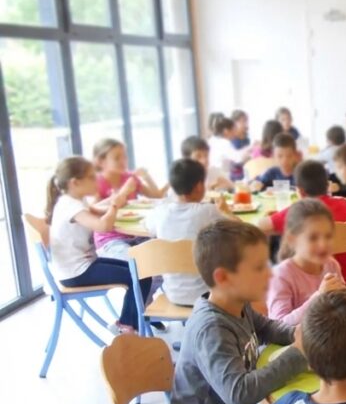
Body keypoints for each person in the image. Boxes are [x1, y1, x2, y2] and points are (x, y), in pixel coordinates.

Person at [168, 220, 307, 404]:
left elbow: (269, 328)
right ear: (223, 277)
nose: (269, 274)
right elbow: (239, 394)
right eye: (258, 268)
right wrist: (297, 354)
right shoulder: (211, 328)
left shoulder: (235, 304)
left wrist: (301, 335)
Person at [45, 156, 151, 333]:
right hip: (77, 273)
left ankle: (128, 325)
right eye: (91, 177)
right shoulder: (71, 206)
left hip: (83, 265)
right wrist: (115, 206)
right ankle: (128, 327)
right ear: (75, 183)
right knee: (141, 275)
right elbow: (104, 225)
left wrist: (115, 203)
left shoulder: (73, 200)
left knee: (142, 270)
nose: (97, 180)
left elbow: (95, 211)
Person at [259, 160, 346, 284]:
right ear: (327, 185)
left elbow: (261, 227)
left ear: (300, 191)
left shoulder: (299, 212)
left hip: (311, 286)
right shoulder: (343, 204)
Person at [144, 159, 231, 306]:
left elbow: (147, 226)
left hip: (172, 295)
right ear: (198, 186)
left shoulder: (160, 212)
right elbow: (238, 229)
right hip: (208, 297)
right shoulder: (207, 212)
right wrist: (225, 211)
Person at [267, 200, 346, 325]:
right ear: (292, 240)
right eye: (313, 238)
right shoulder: (281, 275)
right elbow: (278, 326)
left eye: (328, 236)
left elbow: (341, 302)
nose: (323, 244)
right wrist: (318, 298)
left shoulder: (331, 264)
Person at [92, 138, 164, 259]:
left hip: (137, 235)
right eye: (117, 158)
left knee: (162, 254)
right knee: (141, 262)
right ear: (101, 161)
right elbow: (93, 210)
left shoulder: (130, 178)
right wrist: (123, 192)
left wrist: (146, 176)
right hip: (110, 239)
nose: (123, 161)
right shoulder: (96, 182)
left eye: (125, 156)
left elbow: (156, 196)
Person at [209, 115, 242, 179]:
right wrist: (250, 149)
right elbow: (238, 158)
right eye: (234, 130)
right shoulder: (224, 143)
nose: (235, 134)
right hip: (222, 177)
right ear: (226, 131)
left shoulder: (212, 140)